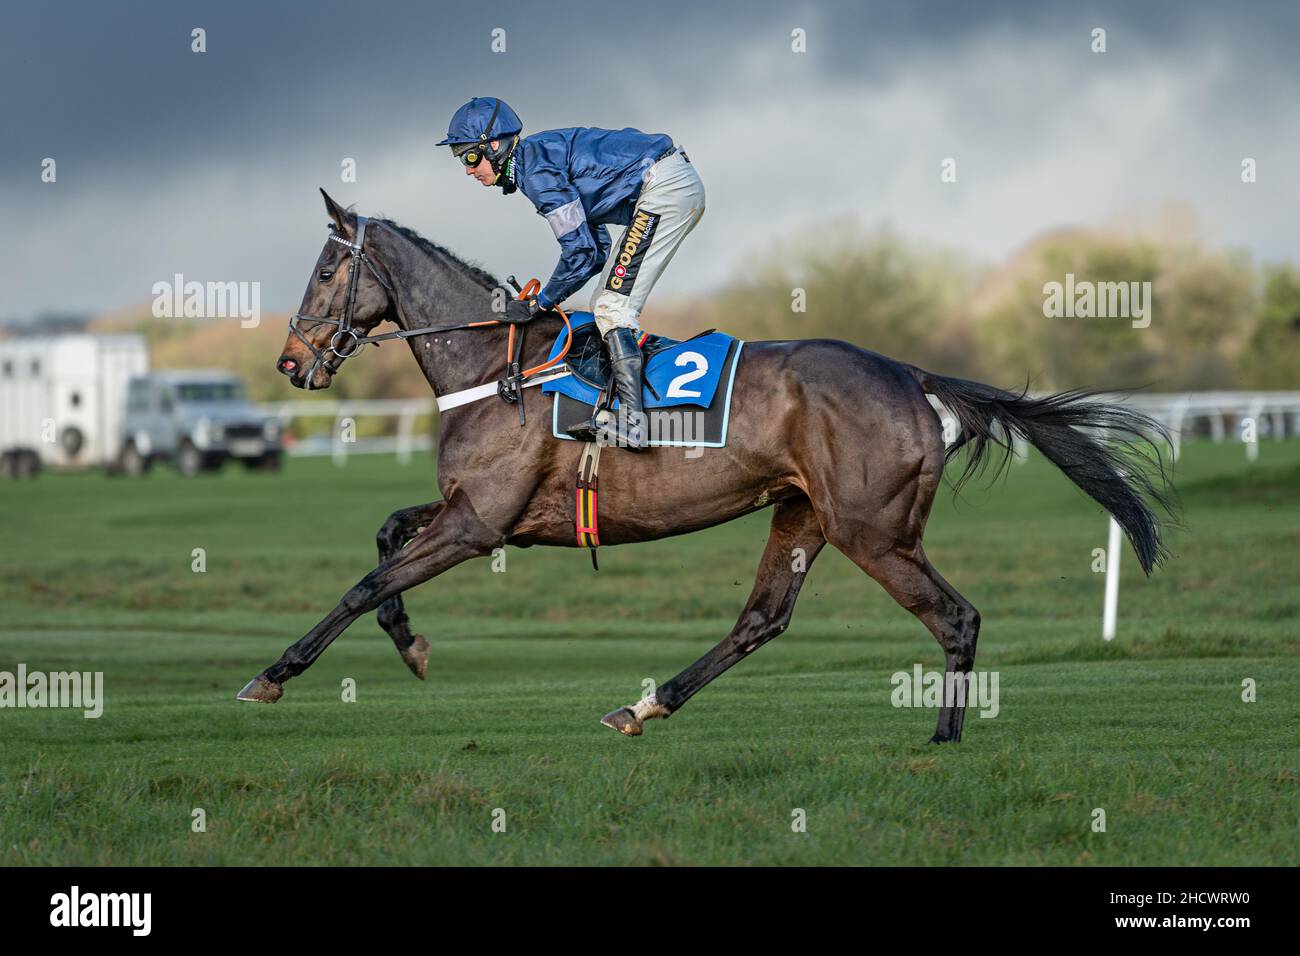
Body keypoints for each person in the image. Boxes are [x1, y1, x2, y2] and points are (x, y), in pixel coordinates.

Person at [437, 97, 705, 450]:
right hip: (669, 184)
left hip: (664, 188)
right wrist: (543, 300)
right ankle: (623, 408)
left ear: (496, 145)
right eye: (462, 161)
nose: (469, 170)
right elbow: (594, 252)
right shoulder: (536, 161)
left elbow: (579, 251)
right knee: (604, 303)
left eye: (471, 157)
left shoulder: (535, 172)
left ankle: (633, 423)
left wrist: (540, 304)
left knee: (612, 307)